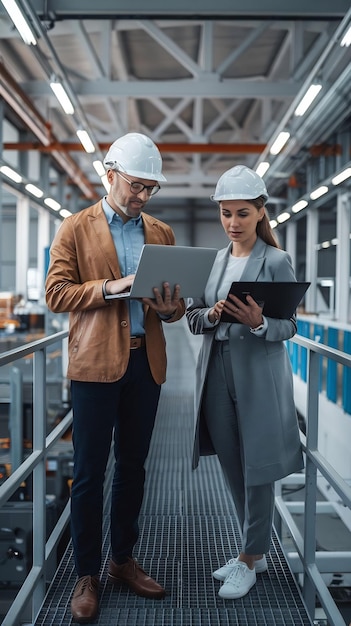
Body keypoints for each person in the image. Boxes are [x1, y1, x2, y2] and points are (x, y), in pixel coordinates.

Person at [45, 132, 185, 623]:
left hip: (145, 365)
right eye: (136, 185)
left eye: (151, 189)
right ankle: (86, 573)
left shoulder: (161, 232)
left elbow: (174, 308)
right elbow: (57, 293)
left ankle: (121, 560)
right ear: (109, 175)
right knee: (88, 474)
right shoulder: (75, 228)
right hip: (94, 367)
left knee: (132, 468)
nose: (143, 196)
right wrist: (112, 287)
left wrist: (170, 309)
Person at [186, 165, 304, 600]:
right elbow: (193, 317)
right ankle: (251, 550)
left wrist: (259, 324)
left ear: (259, 213)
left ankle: (251, 558)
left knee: (258, 468)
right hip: (215, 372)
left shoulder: (275, 261)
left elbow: (290, 325)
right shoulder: (214, 261)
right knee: (234, 465)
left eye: (241, 214)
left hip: (257, 376)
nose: (232, 223)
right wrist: (212, 315)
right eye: (225, 214)